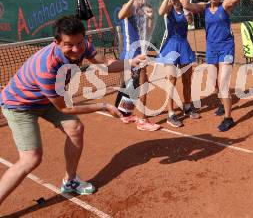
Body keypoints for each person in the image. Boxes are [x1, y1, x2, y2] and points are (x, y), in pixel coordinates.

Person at [0, 15, 145, 204]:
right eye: (69, 45)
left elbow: (106, 64)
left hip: (46, 100)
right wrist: (103, 105)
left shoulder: (82, 45)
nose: (76, 50)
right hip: (21, 105)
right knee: (31, 159)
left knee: (75, 129)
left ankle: (70, 181)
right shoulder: (47, 66)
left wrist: (130, 62)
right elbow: (63, 107)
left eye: (79, 43)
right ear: (57, 42)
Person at [182, 0, 243, 132]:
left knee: (223, 84)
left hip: (226, 48)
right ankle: (224, 104)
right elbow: (185, 4)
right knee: (214, 82)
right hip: (211, 49)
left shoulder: (225, 6)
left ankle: (228, 118)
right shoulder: (204, 7)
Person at [117, 0, 161, 131]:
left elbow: (147, 31)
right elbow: (121, 15)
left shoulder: (142, 10)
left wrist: (150, 18)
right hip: (132, 53)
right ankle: (143, 120)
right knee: (142, 84)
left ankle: (124, 113)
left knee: (133, 85)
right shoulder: (129, 7)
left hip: (138, 53)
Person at [157, 0, 201, 127]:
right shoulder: (168, 10)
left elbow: (190, 21)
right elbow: (160, 11)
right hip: (170, 46)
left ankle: (187, 106)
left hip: (183, 46)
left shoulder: (185, 9)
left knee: (187, 79)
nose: (176, 1)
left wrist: (186, 6)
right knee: (171, 79)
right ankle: (171, 114)